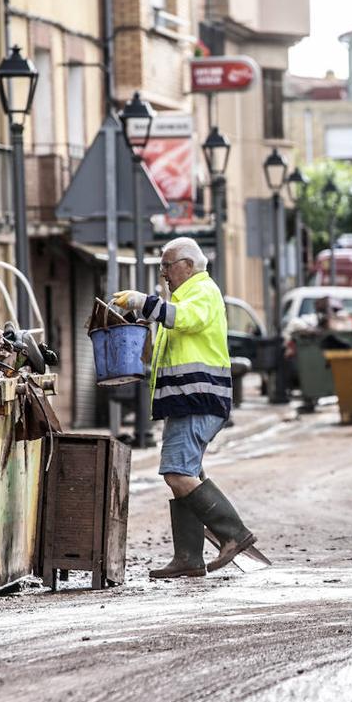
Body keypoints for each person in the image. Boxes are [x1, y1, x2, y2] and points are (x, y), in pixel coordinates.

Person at [112, 237, 258, 577]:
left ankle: (233, 535)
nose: (164, 273)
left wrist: (144, 302)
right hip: (185, 401)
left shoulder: (202, 293)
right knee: (185, 475)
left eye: (168, 265)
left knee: (177, 474)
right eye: (162, 266)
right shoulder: (180, 299)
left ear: (189, 266)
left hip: (198, 399)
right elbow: (154, 354)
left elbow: (185, 319)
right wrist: (143, 323)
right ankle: (189, 558)